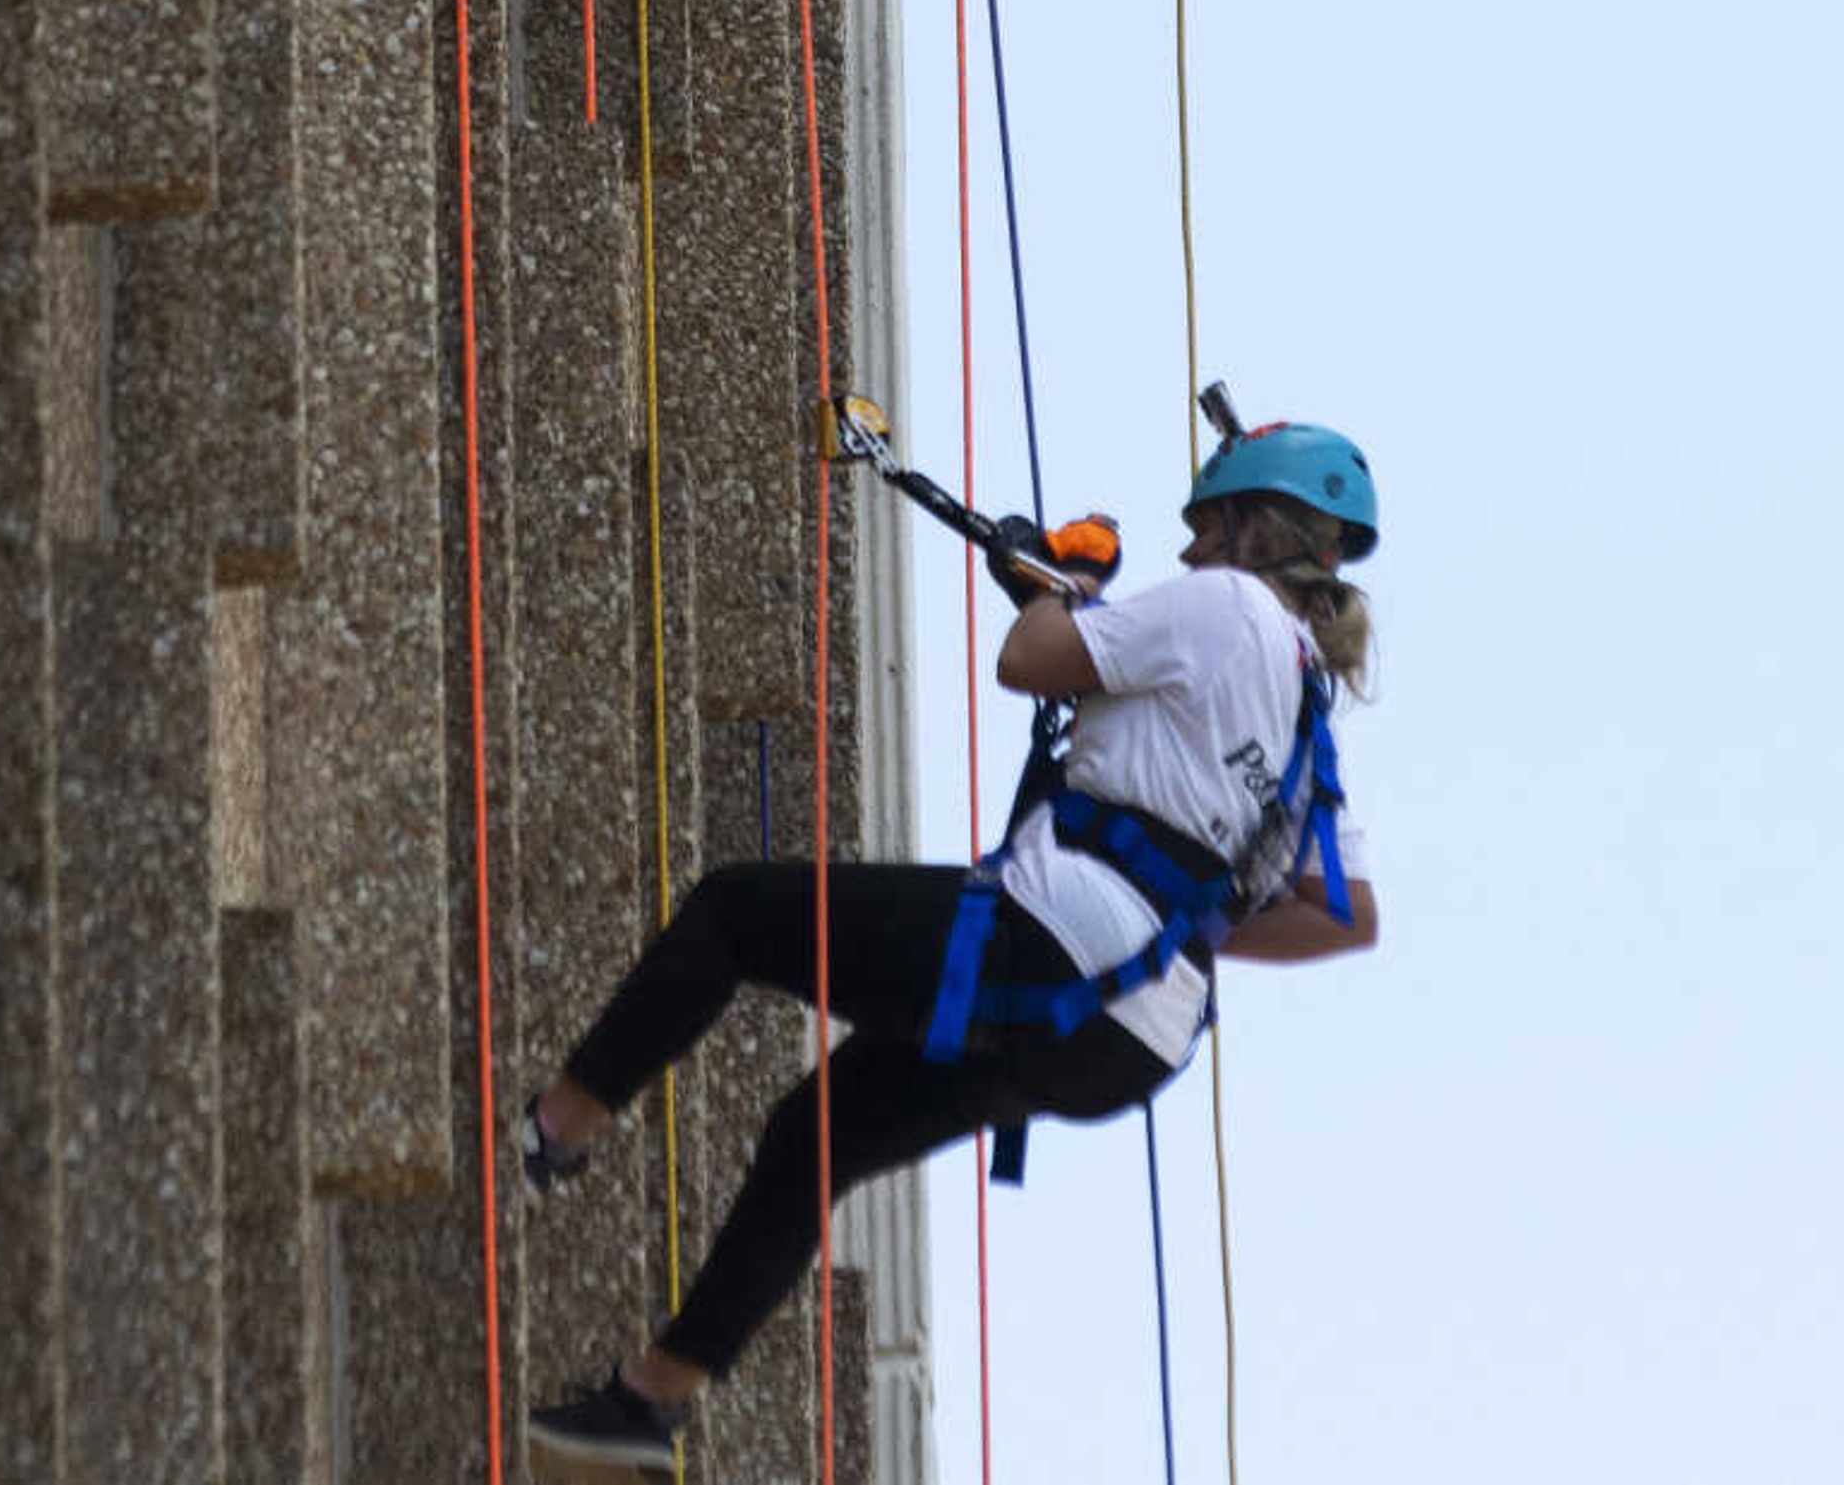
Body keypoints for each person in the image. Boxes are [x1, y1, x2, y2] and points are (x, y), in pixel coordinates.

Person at [520, 421, 1389, 1471]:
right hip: (1126, 1040)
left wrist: (1055, 589)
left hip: (1052, 943)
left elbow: (1026, 660)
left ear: (1255, 531)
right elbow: (1348, 912)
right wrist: (1175, 921)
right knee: (815, 1135)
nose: (1193, 552)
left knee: (733, 912)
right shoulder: (1309, 711)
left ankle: (547, 1133)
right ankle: (648, 1402)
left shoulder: (1225, 604)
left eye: (1206, 531)